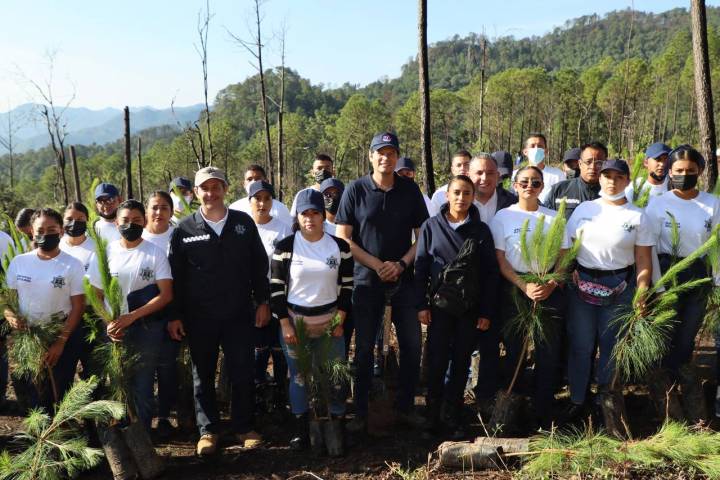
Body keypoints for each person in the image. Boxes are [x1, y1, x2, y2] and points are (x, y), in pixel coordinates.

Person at [168, 166, 270, 455]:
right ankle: (208, 431)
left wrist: (263, 302)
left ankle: (244, 427)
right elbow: (175, 276)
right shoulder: (184, 229)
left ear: (225, 189)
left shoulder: (243, 223)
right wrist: (175, 315)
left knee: (242, 371)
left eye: (216, 187)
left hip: (239, 313)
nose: (210, 193)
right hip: (199, 317)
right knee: (202, 375)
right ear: (196, 192)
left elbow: (259, 266)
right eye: (205, 188)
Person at [335, 132, 429, 433]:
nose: (385, 158)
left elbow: (423, 236)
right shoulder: (355, 189)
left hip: (404, 280)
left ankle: (405, 408)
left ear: (397, 157)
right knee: (363, 348)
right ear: (371, 156)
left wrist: (401, 264)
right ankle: (362, 412)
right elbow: (343, 238)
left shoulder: (410, 190)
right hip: (366, 281)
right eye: (380, 152)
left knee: (412, 345)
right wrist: (377, 265)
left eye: (391, 153)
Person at [564, 159, 653, 418]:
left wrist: (641, 291)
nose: (612, 181)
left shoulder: (637, 216)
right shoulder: (584, 209)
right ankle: (577, 399)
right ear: (600, 178)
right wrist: (564, 274)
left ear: (627, 180)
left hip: (620, 286)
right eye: (607, 175)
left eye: (618, 176)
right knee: (581, 345)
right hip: (582, 284)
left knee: (611, 345)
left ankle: (607, 399)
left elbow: (643, 259)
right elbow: (566, 249)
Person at [415, 175, 498, 438]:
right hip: (439, 306)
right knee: (437, 360)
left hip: (469, 308)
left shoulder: (481, 230)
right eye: (457, 193)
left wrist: (486, 311)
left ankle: (453, 415)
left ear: (473, 197)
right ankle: (432, 415)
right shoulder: (431, 226)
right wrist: (421, 305)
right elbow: (421, 267)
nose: (461, 198)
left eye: (466, 193)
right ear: (447, 195)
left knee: (461, 362)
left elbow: (490, 274)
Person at [270, 189, 353, 449]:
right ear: (297, 216)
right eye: (304, 213)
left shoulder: (340, 247)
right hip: (296, 323)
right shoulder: (285, 247)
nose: (310, 218)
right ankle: (301, 428)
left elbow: (348, 285)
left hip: (330, 321)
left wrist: (340, 318)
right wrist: (285, 323)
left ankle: (336, 423)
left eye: (315, 213)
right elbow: (276, 289)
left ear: (322, 216)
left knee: (335, 374)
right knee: (300, 376)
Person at [489, 166, 571, 427]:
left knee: (548, 352)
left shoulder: (554, 218)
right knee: (515, 350)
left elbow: (564, 257)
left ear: (542, 187)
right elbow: (501, 260)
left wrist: (551, 283)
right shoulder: (503, 217)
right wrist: (524, 286)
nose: (529, 186)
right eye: (524, 182)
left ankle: (543, 411)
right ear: (514, 185)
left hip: (548, 286)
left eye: (535, 182)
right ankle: (512, 409)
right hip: (515, 289)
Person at [88, 200, 173, 431]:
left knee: (143, 384)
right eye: (125, 220)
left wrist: (132, 316)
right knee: (118, 382)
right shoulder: (105, 253)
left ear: (144, 222)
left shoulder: (154, 253)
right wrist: (109, 322)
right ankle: (121, 432)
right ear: (116, 223)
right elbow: (95, 294)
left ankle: (142, 435)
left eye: (136, 220)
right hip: (114, 329)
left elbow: (166, 294)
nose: (130, 225)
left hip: (146, 329)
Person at [644, 146, 719, 381]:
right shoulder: (658, 204)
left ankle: (680, 382)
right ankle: (659, 385)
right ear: (670, 171)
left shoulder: (713, 204)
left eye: (690, 170)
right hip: (667, 272)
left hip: (698, 274)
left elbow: (716, 246)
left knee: (687, 336)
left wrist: (716, 283)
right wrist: (658, 286)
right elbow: (649, 247)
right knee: (665, 333)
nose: (684, 175)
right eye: (678, 170)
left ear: (699, 172)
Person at [4, 208, 86, 409]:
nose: (45, 235)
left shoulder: (73, 265)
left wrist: (60, 342)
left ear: (61, 231)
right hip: (28, 336)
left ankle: (62, 426)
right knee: (32, 393)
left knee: (58, 390)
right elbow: (7, 301)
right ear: (32, 231)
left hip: (60, 333)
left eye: (52, 230)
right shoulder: (19, 262)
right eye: (40, 230)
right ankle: (39, 427)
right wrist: (11, 316)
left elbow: (78, 307)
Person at [247, 180, 291, 409]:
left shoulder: (283, 229)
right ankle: (258, 391)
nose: (262, 204)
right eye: (257, 199)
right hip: (252, 297)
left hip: (279, 294)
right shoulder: (244, 227)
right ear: (250, 201)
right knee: (258, 347)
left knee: (279, 346)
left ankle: (281, 392)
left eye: (267, 199)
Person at [140, 191, 178, 438]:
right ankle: (142, 421)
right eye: (154, 207)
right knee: (144, 371)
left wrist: (176, 314)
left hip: (171, 312)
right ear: (146, 211)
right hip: (141, 314)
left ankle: (165, 416)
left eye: (164, 207)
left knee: (167, 367)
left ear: (171, 211)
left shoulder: (178, 236)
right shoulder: (138, 237)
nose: (159, 212)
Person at [544, 141, 608, 219]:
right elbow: (544, 218)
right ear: (580, 164)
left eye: (599, 163)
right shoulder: (559, 190)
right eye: (588, 162)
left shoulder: (612, 193)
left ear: (606, 164)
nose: (593, 167)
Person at [229, 164, 293, 225]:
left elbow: (288, 230)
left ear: (266, 181)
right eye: (249, 179)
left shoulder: (280, 209)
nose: (253, 182)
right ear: (244, 184)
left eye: (257, 179)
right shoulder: (235, 208)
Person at [511, 133, 564, 203]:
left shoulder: (558, 175)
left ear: (546, 151)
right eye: (532, 146)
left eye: (540, 146)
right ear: (525, 152)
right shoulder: (515, 175)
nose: (536, 149)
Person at [467, 153, 518, 223]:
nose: (484, 178)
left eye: (490, 173)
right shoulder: (459, 203)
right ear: (468, 176)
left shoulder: (513, 202)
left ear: (497, 176)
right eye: (479, 173)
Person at [60, 202, 96, 272]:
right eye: (69, 219)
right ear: (63, 220)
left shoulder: (96, 248)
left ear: (87, 220)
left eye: (79, 219)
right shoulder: (57, 245)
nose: (74, 223)